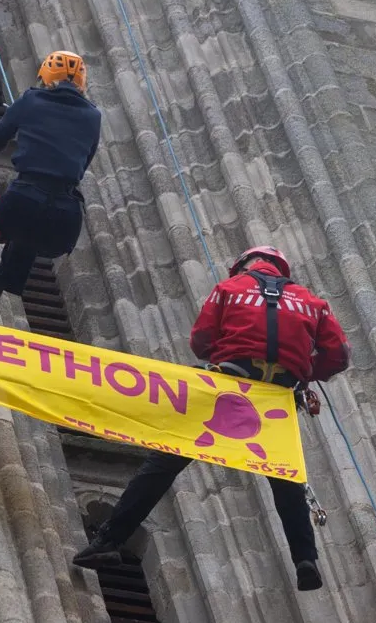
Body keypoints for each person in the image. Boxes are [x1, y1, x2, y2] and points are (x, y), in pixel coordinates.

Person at [72, 245, 351, 592]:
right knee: (285, 478)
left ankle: (108, 541)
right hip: (276, 395)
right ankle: (305, 558)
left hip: (227, 384)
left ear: (244, 267)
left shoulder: (229, 289)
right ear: (282, 270)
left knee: (162, 465)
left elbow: (201, 342)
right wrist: (305, 372)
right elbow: (338, 355)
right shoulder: (312, 302)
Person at [0, 50, 102, 314]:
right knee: (28, 237)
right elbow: (82, 166)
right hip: (65, 223)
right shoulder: (94, 117)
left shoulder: (32, 100)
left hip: (22, 202)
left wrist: (17, 123)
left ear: (47, 77)